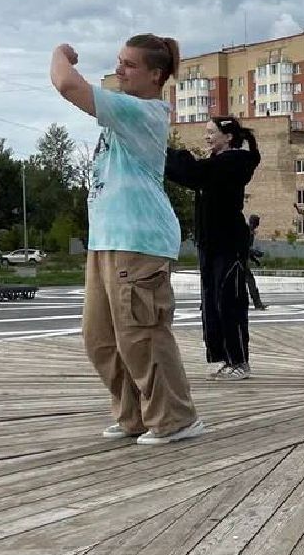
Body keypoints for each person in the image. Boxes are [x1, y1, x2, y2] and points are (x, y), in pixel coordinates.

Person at [51, 35, 203, 444]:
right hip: (106, 239)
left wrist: (61, 54)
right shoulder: (124, 113)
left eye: (129, 65)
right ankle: (133, 415)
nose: (119, 70)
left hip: (139, 238)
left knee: (142, 335)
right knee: (99, 338)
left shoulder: (144, 112)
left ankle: (175, 418)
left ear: (156, 75)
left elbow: (68, 85)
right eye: (119, 62)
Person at [165, 116, 260, 380]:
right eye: (206, 132)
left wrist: (165, 152)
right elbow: (191, 173)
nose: (206, 136)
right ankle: (220, 357)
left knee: (229, 300)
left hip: (228, 243)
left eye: (211, 132)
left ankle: (239, 361)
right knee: (210, 302)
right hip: (210, 244)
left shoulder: (233, 162)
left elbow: (193, 174)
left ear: (228, 137)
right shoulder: (216, 163)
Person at [244, 214, 267, 309]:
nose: (257, 225)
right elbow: (244, 247)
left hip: (243, 261)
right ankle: (257, 303)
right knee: (250, 282)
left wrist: (255, 259)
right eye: (256, 223)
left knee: (249, 282)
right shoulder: (247, 232)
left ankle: (257, 303)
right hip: (239, 261)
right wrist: (256, 253)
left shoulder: (251, 232)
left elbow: (247, 250)